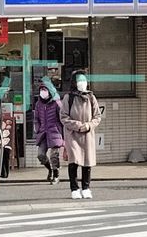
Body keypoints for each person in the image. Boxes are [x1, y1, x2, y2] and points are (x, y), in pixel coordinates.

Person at [60, 70, 102, 200]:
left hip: (87, 134)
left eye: (84, 80)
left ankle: (86, 187)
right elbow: (63, 117)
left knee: (87, 162)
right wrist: (77, 125)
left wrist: (89, 125)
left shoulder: (91, 97)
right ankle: (74, 188)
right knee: (74, 161)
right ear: (74, 82)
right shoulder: (69, 97)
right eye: (79, 80)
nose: (82, 83)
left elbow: (97, 116)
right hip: (73, 134)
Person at [33, 82, 64, 184]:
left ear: (50, 91)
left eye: (45, 90)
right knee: (40, 155)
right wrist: (37, 129)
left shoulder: (57, 103)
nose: (43, 92)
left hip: (55, 132)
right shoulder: (38, 104)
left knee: (54, 155)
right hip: (43, 133)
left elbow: (63, 119)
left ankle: (56, 175)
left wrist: (64, 134)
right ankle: (50, 169)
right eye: (41, 90)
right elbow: (36, 118)